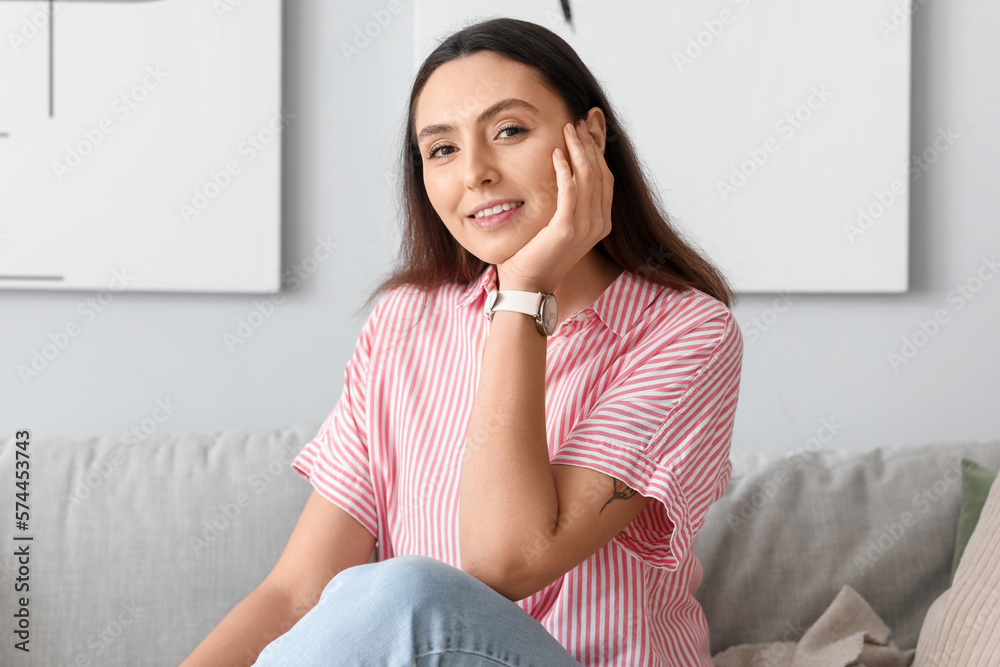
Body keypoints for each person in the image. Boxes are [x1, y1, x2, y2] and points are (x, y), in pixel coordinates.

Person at [181, 16, 743, 667]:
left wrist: (525, 288)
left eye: (508, 131)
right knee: (374, 596)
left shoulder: (686, 332)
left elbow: (502, 560)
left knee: (409, 589)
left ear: (589, 137)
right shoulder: (403, 323)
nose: (475, 172)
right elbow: (295, 593)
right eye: (442, 150)